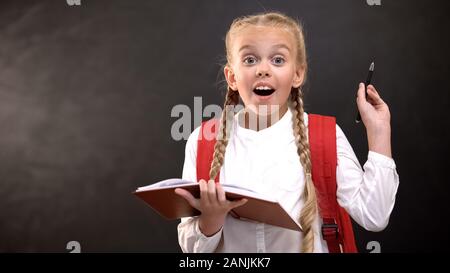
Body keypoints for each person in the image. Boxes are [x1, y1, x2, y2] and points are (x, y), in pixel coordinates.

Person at [174, 11, 399, 253]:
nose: (263, 69)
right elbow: (192, 252)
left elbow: (374, 216)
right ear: (231, 77)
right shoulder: (202, 140)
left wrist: (379, 132)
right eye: (250, 60)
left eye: (278, 60)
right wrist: (210, 221)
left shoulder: (325, 136)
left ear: (298, 74)